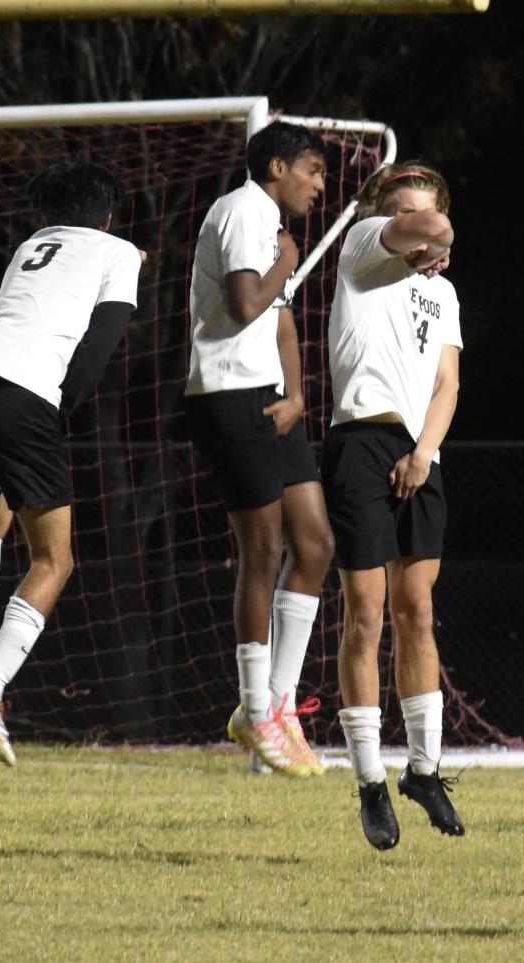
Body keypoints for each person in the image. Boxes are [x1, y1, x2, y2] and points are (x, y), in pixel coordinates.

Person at [0, 156, 142, 767]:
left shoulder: (31, 244)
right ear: (108, 217)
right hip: (28, 398)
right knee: (55, 558)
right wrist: (60, 412)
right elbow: (99, 347)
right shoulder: (119, 253)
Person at [183, 121, 336, 777]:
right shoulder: (246, 210)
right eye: (311, 169)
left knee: (315, 544)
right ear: (276, 166)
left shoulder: (265, 222)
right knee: (263, 548)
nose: (319, 184)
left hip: (270, 396)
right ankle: (252, 708)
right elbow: (249, 303)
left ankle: (277, 706)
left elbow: (279, 315)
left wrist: (299, 393)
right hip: (228, 395)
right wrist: (288, 256)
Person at [324, 162, 464, 850]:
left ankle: (424, 768)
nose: (411, 221)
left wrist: (423, 452)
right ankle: (370, 781)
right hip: (360, 442)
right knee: (366, 613)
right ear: (384, 215)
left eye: (422, 210)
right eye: (399, 211)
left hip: (421, 454)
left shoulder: (443, 295)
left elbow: (446, 382)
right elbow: (432, 229)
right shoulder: (361, 246)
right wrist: (429, 233)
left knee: (417, 611)